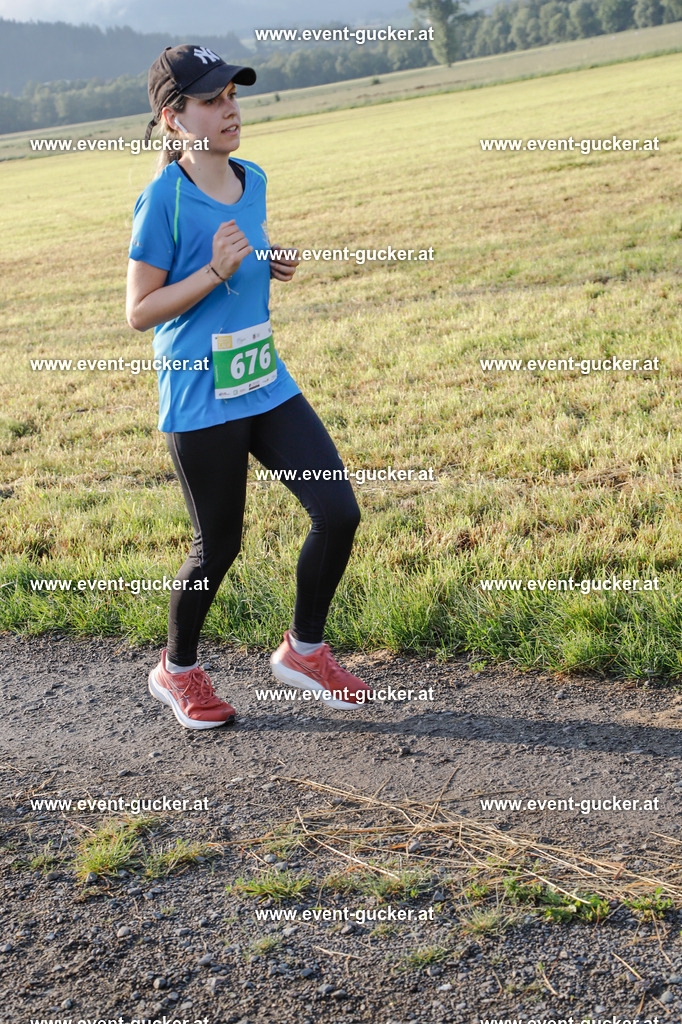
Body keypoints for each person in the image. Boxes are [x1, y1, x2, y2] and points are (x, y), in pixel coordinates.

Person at [126, 44, 372, 730]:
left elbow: (240, 250)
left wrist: (266, 259)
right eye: (211, 100)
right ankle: (176, 671)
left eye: (233, 94)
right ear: (175, 119)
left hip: (262, 379)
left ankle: (304, 650)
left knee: (338, 511)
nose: (229, 108)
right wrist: (213, 271)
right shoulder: (162, 200)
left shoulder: (252, 175)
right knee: (220, 545)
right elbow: (139, 311)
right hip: (200, 394)